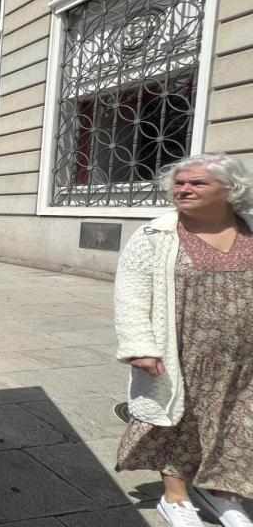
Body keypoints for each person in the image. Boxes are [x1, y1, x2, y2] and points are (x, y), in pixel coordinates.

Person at [114, 153, 253, 527]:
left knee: (239, 424)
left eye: (197, 183)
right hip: (181, 351)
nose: (184, 189)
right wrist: (139, 345)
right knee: (179, 421)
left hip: (245, 358)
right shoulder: (155, 235)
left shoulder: (250, 230)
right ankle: (175, 497)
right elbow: (130, 292)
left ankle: (220, 491)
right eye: (179, 182)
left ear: (230, 189)